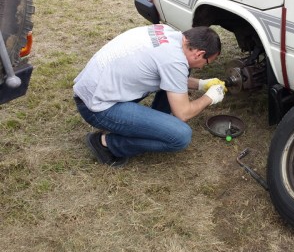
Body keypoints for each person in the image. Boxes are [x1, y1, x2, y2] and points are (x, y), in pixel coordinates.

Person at [73, 24, 226, 167]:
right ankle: (105, 143)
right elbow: (183, 113)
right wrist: (210, 97)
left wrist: (201, 84)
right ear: (200, 54)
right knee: (180, 136)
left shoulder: (168, 33)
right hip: (97, 107)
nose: (202, 66)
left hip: (94, 90)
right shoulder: (174, 61)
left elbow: (172, 75)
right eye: (206, 63)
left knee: (184, 70)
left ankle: (154, 125)